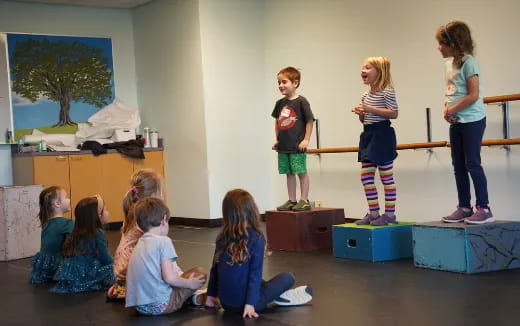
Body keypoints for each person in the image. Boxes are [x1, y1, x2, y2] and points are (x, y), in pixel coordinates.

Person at [205, 189, 312, 318]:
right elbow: (254, 274)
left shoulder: (222, 237)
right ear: (251, 210)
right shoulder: (256, 238)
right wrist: (250, 304)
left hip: (226, 303)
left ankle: (274, 295)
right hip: (248, 305)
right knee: (288, 277)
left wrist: (210, 296)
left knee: (251, 278)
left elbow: (214, 269)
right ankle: (277, 296)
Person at [436, 21, 493, 224]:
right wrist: (447, 110)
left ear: (454, 44)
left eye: (442, 43)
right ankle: (464, 206)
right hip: (457, 121)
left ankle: (484, 207)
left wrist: (452, 109)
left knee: (472, 163)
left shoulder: (470, 63)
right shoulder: (448, 65)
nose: (438, 47)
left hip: (473, 120)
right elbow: (452, 93)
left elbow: (473, 95)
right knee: (458, 165)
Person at [125, 197, 207, 315]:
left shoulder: (139, 243)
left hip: (140, 307)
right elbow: (169, 278)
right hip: (160, 306)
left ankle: (193, 296)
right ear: (164, 219)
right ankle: (193, 296)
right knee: (199, 273)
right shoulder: (164, 241)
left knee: (176, 280)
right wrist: (189, 283)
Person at [352, 56, 399, 226]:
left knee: (386, 178)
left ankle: (390, 214)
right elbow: (365, 120)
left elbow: (394, 113)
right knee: (366, 177)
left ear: (379, 72)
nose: (363, 71)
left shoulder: (387, 91)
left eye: (367, 68)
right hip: (368, 135)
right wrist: (362, 114)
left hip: (383, 135)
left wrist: (370, 109)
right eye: (362, 67)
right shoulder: (365, 95)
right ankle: (373, 213)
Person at [107, 169, 163, 301]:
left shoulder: (131, 213)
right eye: (161, 192)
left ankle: (122, 290)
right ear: (154, 195)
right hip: (135, 279)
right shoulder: (147, 219)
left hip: (121, 277)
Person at [272, 67, 315, 211]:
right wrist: (277, 139)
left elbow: (310, 121)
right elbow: (277, 122)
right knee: (288, 173)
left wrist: (306, 139)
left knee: (301, 171)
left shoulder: (301, 102)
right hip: (284, 145)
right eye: (279, 82)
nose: (280, 85)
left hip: (297, 146)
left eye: (284, 82)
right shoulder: (279, 103)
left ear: (295, 83)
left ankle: (304, 199)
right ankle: (292, 199)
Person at [52, 195, 115, 293]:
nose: (108, 212)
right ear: (98, 215)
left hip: (69, 275)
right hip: (83, 276)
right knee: (113, 268)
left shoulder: (76, 231)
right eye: (105, 210)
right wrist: (118, 265)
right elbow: (105, 258)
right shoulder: (97, 233)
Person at [30, 186, 73, 284]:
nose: (69, 199)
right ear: (57, 203)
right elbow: (72, 247)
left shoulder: (46, 223)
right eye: (66, 197)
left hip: (45, 267)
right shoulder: (68, 223)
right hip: (58, 268)